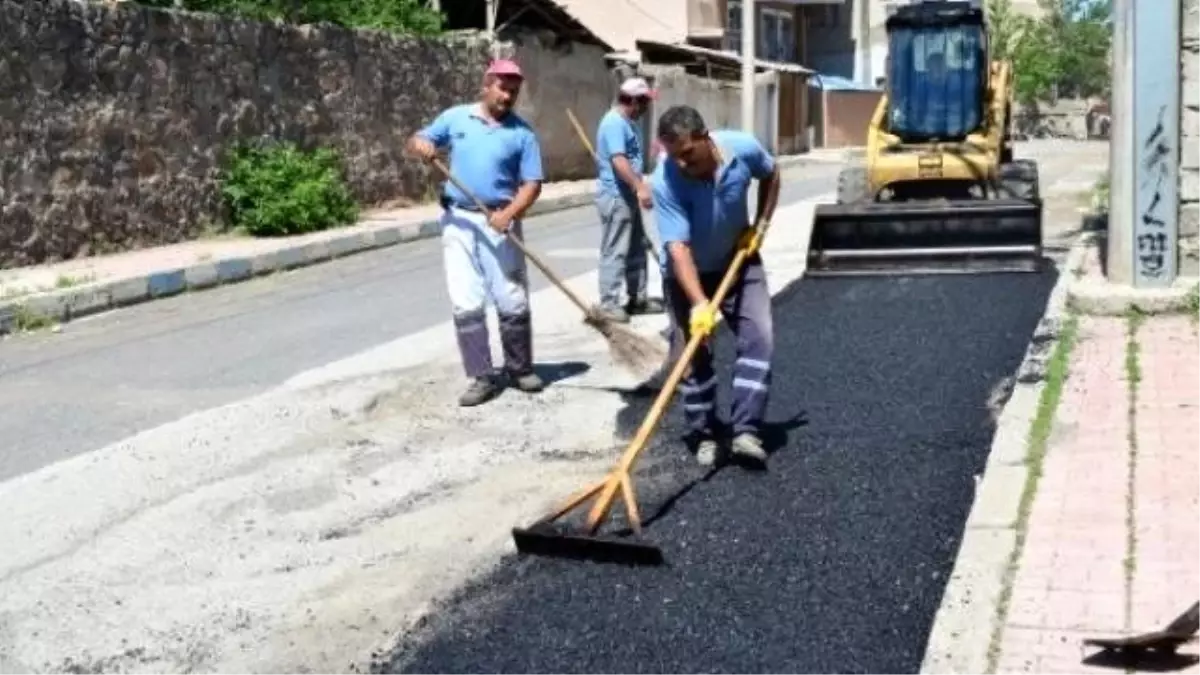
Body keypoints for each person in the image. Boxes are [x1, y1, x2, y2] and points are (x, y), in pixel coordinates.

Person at [406, 59, 546, 408]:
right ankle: (481, 376)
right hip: (459, 221)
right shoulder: (456, 118)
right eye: (503, 89)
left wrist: (510, 213)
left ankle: (520, 368)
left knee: (511, 296)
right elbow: (419, 139)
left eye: (514, 92)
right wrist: (422, 144)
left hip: (500, 220)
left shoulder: (522, 134)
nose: (508, 97)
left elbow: (533, 184)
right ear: (487, 85)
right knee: (465, 298)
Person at [649, 105, 782, 467]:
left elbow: (771, 173)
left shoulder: (743, 148)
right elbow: (678, 248)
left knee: (759, 338)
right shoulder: (665, 180)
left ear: (706, 138)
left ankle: (745, 431)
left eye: (688, 153)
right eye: (674, 156)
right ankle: (704, 433)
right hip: (687, 274)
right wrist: (698, 303)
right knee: (693, 355)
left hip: (738, 263)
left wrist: (761, 225)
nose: (681, 164)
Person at [592, 76, 666, 323]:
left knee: (636, 247)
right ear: (633, 101)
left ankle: (638, 298)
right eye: (644, 103)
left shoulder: (628, 122)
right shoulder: (614, 123)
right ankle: (609, 303)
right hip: (616, 196)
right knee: (615, 250)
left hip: (628, 195)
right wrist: (639, 187)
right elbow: (618, 160)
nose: (646, 109)